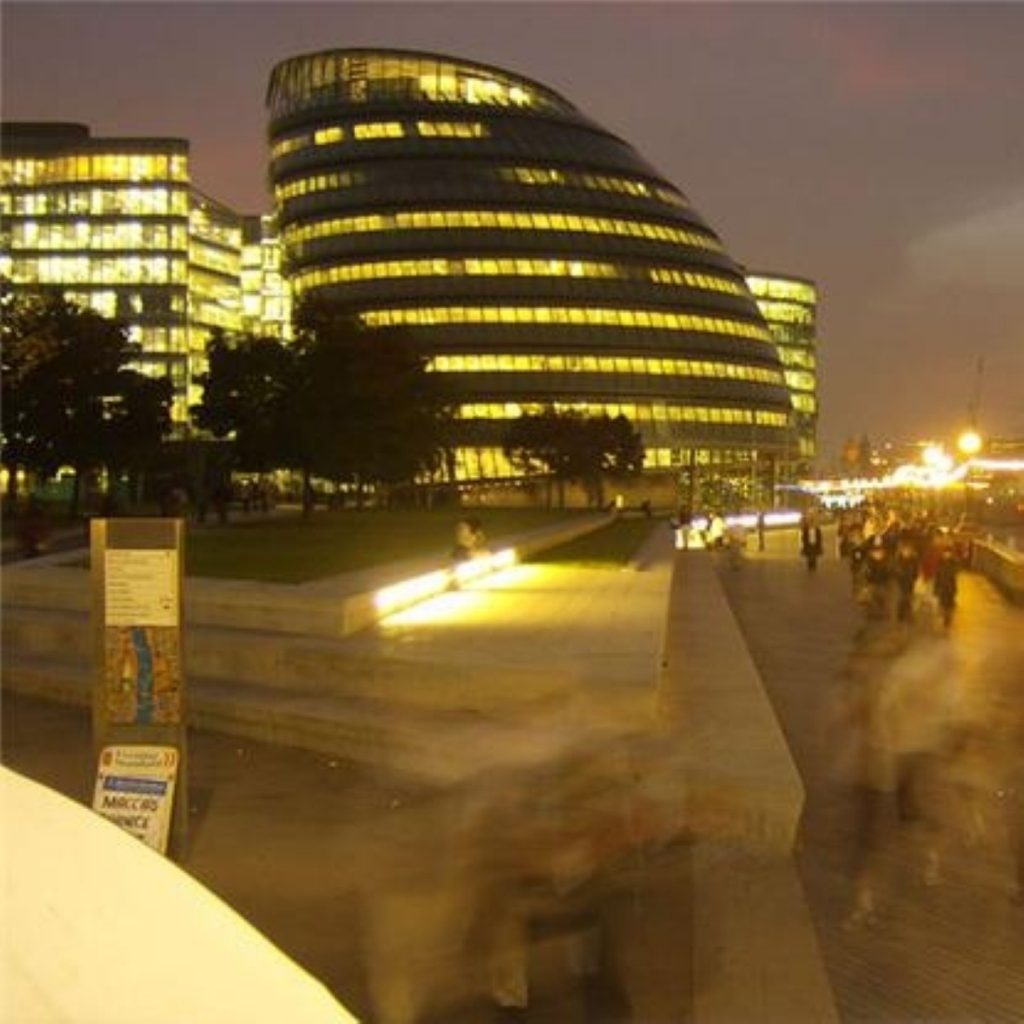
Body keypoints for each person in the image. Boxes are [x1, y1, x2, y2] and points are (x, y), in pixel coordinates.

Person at [933, 544, 958, 628]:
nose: (946, 555)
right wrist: (936, 588)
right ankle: (945, 617)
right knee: (942, 603)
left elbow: (955, 573)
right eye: (945, 553)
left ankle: (947, 618)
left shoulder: (953, 562)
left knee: (949, 604)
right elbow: (937, 576)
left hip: (950, 587)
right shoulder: (940, 562)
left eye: (948, 553)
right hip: (942, 586)